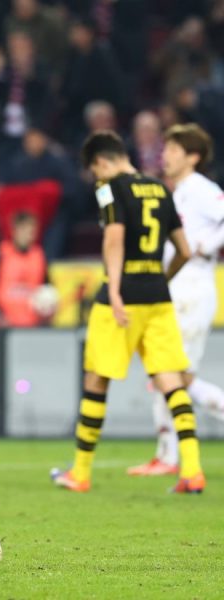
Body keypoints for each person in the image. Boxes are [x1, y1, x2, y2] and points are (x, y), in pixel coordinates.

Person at [51, 131, 205, 494]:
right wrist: (161, 278)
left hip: (121, 298)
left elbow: (114, 239)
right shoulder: (161, 188)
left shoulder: (109, 188)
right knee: (172, 380)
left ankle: (80, 473)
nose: (97, 178)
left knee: (96, 380)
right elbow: (184, 250)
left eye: (95, 171)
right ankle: (192, 470)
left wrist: (116, 291)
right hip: (157, 296)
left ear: (101, 163)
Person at [128, 124, 224, 476]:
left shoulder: (201, 188)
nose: (165, 155)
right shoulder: (178, 192)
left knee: (172, 375)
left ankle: (168, 456)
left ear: (193, 157)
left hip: (193, 289)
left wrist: (205, 246)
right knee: (168, 374)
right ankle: (166, 455)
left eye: (173, 149)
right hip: (176, 289)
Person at [0, 211, 51, 327]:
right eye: (24, 230)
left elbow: (47, 290)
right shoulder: (1, 253)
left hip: (32, 327)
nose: (28, 235)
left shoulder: (39, 256)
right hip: (3, 326)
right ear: (14, 230)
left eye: (31, 231)